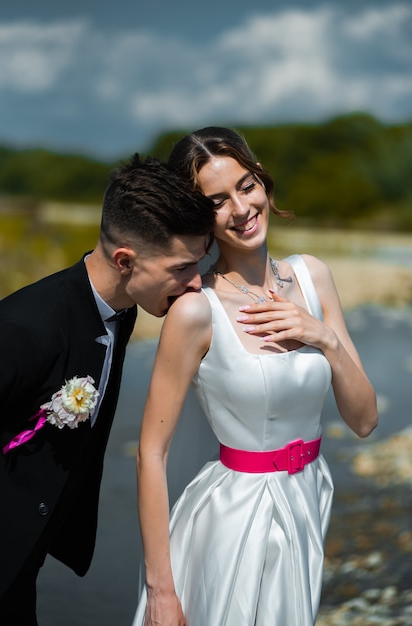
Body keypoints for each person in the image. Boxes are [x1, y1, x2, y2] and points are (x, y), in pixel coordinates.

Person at [132, 128, 378, 626]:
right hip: (236, 517)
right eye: (217, 200)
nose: (241, 209)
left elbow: (365, 420)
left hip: (308, 498)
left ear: (263, 181)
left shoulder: (313, 276)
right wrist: (162, 591)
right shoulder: (195, 312)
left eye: (246, 186)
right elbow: (151, 454)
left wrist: (323, 337)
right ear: (200, 215)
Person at [0, 154, 215, 625]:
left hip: (23, 561)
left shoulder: (126, 307)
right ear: (125, 261)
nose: (195, 283)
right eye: (181, 268)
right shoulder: (25, 328)